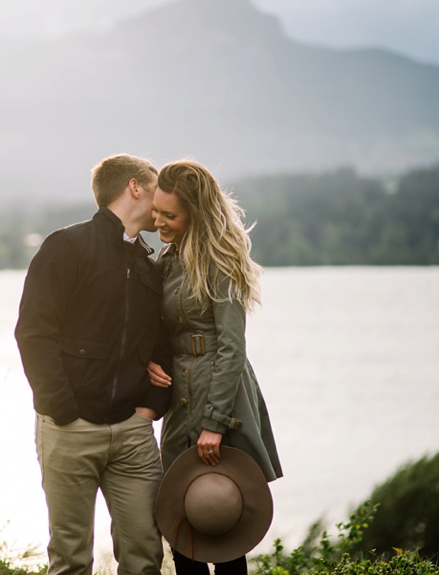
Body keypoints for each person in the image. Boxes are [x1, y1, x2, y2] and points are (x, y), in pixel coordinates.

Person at [14, 153, 172, 575]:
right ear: (135, 187)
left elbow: (162, 344)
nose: (164, 198)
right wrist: (63, 410)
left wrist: (152, 406)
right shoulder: (66, 246)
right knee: (70, 558)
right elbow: (33, 333)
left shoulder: (148, 264)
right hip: (69, 429)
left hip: (133, 433)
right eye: (157, 185)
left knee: (144, 556)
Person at [147, 159, 283, 575]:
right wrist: (150, 359)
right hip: (181, 398)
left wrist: (216, 422)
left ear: (195, 213)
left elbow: (231, 347)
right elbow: (155, 323)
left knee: (221, 521)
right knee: (181, 518)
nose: (158, 222)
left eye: (169, 215)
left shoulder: (221, 260)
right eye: (156, 211)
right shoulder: (168, 259)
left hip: (222, 397)